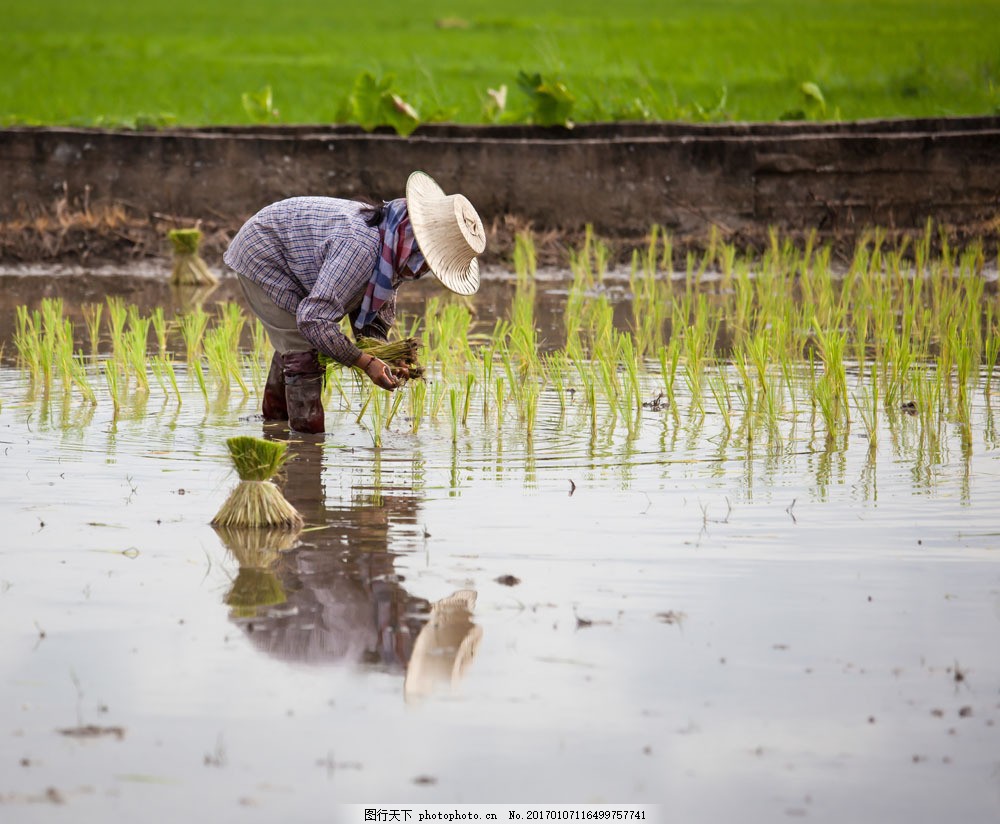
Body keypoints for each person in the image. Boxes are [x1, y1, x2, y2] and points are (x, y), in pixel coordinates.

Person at [224, 171, 486, 433]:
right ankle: (305, 446)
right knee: (303, 351)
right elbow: (313, 319)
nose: (423, 271)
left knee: (297, 343)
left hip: (298, 258)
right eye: (428, 262)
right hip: (264, 253)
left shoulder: (395, 244)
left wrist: (385, 353)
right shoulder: (361, 247)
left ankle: (275, 424)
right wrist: (366, 362)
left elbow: (371, 313)